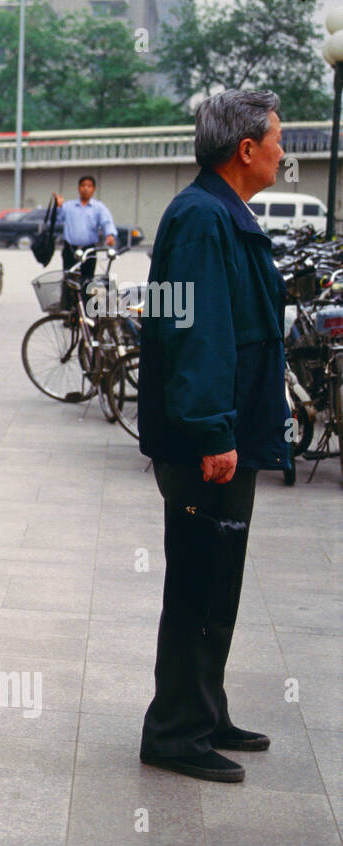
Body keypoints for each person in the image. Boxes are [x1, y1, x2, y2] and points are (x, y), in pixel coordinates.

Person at [136, 89, 288, 783]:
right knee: (198, 583)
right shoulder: (203, 219)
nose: (286, 153)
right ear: (246, 149)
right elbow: (195, 334)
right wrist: (211, 432)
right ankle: (175, 730)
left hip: (223, 433)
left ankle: (204, 710)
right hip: (208, 442)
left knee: (215, 581)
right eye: (279, 140)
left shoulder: (216, 212)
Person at [55, 175, 116, 295]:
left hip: (89, 250)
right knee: (69, 279)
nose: (86, 189)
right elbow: (57, 220)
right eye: (83, 186)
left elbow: (106, 221)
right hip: (70, 249)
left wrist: (110, 235)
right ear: (78, 188)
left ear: (94, 189)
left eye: (89, 186)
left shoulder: (98, 207)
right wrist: (58, 206)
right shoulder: (68, 206)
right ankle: (68, 308)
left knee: (87, 281)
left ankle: (85, 308)